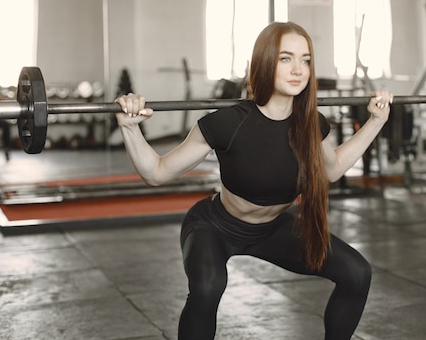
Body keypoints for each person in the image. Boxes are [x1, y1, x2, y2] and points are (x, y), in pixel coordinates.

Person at [115, 21, 393, 340]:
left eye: (305, 60)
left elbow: (332, 169)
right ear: (265, 61)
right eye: (285, 58)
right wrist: (129, 128)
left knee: (357, 273)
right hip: (215, 227)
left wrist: (376, 121)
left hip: (273, 229)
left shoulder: (311, 125)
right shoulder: (226, 123)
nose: (298, 69)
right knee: (207, 288)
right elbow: (157, 172)